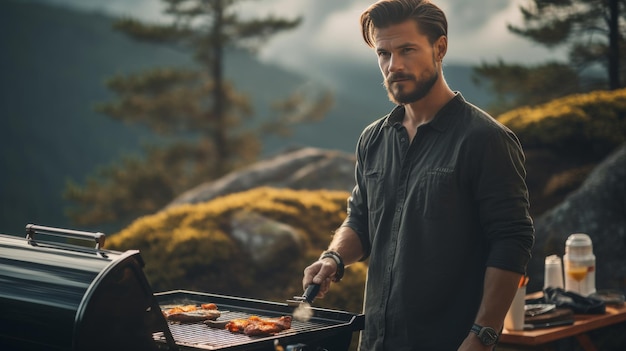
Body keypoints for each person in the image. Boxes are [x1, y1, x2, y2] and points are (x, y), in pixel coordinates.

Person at [301, 0, 535, 350]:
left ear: (439, 48)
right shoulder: (373, 139)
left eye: (407, 50)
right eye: (383, 54)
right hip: (376, 341)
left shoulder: (485, 140)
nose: (393, 65)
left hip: (451, 342)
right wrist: (332, 257)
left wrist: (483, 335)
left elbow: (512, 241)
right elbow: (361, 219)